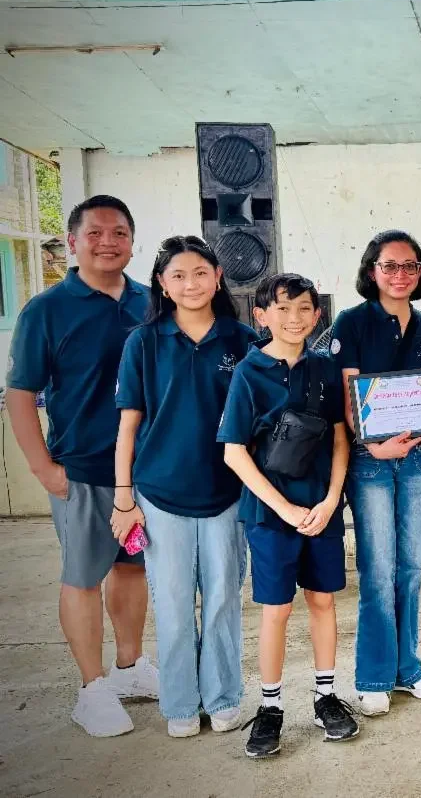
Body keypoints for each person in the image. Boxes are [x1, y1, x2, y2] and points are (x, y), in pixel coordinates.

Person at [6, 195, 158, 737]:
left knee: (131, 567)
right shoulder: (46, 309)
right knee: (83, 576)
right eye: (95, 233)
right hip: (82, 470)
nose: (108, 242)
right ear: (73, 241)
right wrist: (43, 469)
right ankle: (91, 689)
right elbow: (20, 393)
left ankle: (130, 666)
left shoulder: (150, 300)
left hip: (145, 472)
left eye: (119, 232)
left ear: (132, 241)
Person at [113, 236, 257, 738]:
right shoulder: (144, 342)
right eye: (178, 275)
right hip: (159, 496)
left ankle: (222, 697)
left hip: (226, 494)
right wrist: (123, 496)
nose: (191, 284)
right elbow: (129, 424)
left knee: (221, 600)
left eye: (200, 272)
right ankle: (179, 706)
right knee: (173, 604)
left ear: (218, 276)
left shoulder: (242, 340)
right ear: (162, 284)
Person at [218, 274, 356, 758]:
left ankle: (325, 696)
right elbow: (235, 452)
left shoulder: (324, 369)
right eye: (282, 309)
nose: (293, 318)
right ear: (261, 316)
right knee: (275, 610)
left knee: (323, 603)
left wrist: (330, 500)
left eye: (304, 309)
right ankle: (271, 706)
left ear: (318, 315)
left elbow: (340, 438)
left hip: (321, 511)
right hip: (271, 516)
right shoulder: (248, 373)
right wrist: (286, 508)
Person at [330, 231, 421, 716]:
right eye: (390, 266)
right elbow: (348, 394)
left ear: (420, 272)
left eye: (410, 265)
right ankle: (374, 675)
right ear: (372, 271)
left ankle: (409, 668)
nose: (400, 274)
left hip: (417, 459)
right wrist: (372, 445)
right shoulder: (353, 322)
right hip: (370, 462)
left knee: (412, 568)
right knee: (378, 572)